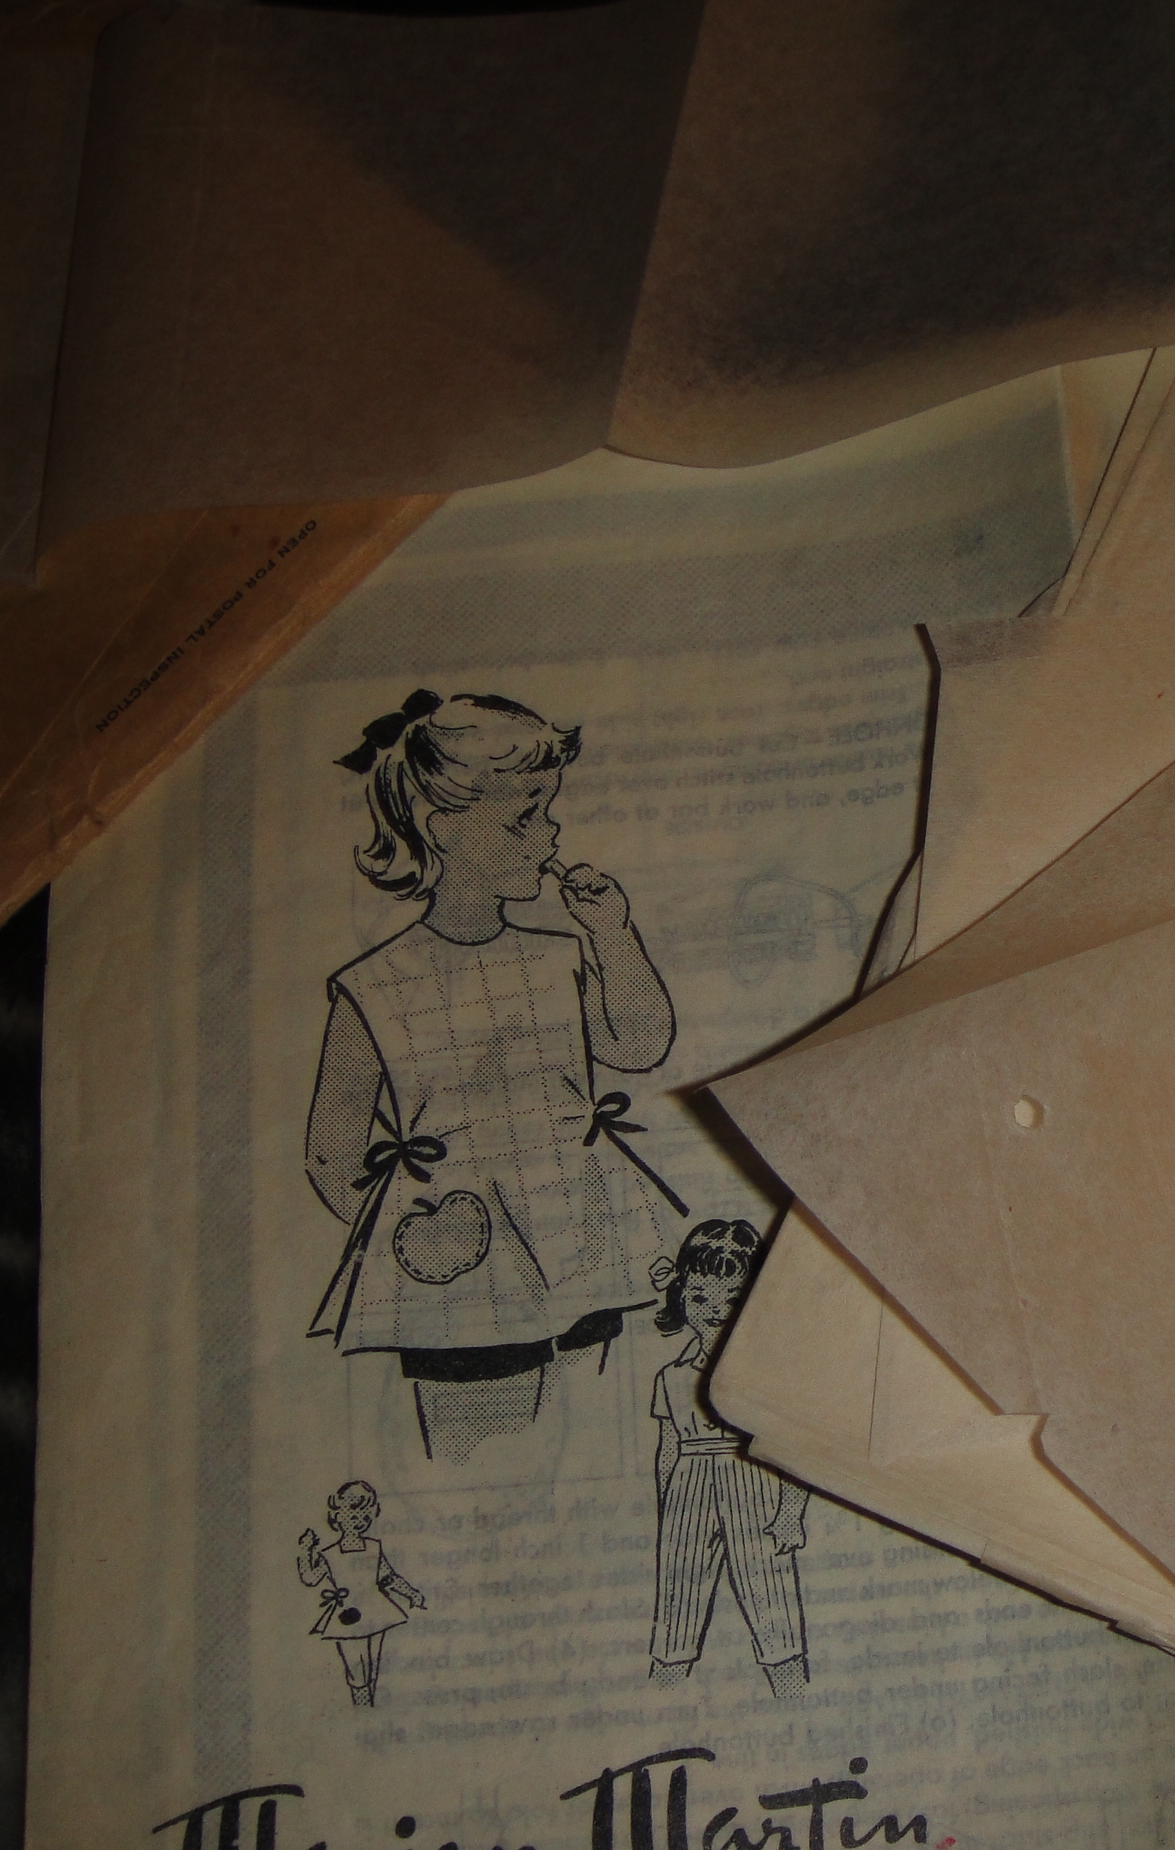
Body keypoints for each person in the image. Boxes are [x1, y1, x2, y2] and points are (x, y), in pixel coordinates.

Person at [304, 690, 684, 1462]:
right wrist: (412, 1240)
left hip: (580, 1245)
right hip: (463, 1274)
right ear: (444, 829)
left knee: (591, 1443)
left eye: (548, 812)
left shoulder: (557, 955)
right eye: (524, 818)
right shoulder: (376, 984)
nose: (550, 835)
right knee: (479, 1452)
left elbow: (640, 1043)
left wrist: (612, 935)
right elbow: (331, 1151)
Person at [645, 1219, 810, 1692]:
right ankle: (665, 1688)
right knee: (677, 1604)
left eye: (731, 1300)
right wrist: (668, 1512)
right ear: (680, 1297)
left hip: (753, 1482)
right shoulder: (672, 1375)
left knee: (770, 1595)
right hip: (688, 1489)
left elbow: (793, 1446)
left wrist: (790, 1513)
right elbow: (667, 1450)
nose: (714, 1311)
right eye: (700, 1298)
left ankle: (791, 1688)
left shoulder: (767, 1373)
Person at [296, 1480, 425, 1707]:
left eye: (365, 1515)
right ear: (337, 1515)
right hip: (348, 1618)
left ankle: (367, 1709)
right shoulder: (330, 1554)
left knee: (373, 1670)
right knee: (357, 1672)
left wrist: (411, 1593)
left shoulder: (374, 1547)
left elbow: (389, 1577)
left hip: (376, 1611)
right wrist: (306, 1551)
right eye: (353, 1514)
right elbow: (310, 1578)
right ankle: (360, 1707)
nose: (359, 1520)